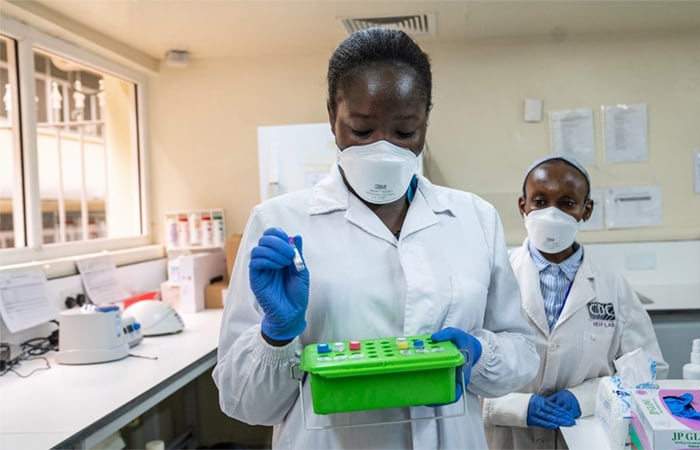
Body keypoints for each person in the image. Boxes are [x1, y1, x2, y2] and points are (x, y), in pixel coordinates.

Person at [213, 28, 540, 449]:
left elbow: (521, 354)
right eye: (362, 131)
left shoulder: (473, 218)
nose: (383, 150)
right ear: (333, 116)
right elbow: (245, 404)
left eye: (405, 132)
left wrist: (478, 352)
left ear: (426, 119)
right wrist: (277, 334)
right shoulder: (278, 222)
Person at [482, 155, 668, 449]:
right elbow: (465, 371)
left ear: (586, 209)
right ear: (523, 206)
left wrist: (586, 397)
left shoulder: (613, 287)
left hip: (584, 435)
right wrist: (515, 406)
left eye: (567, 203)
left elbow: (647, 371)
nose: (551, 214)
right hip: (506, 439)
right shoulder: (491, 277)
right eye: (540, 201)